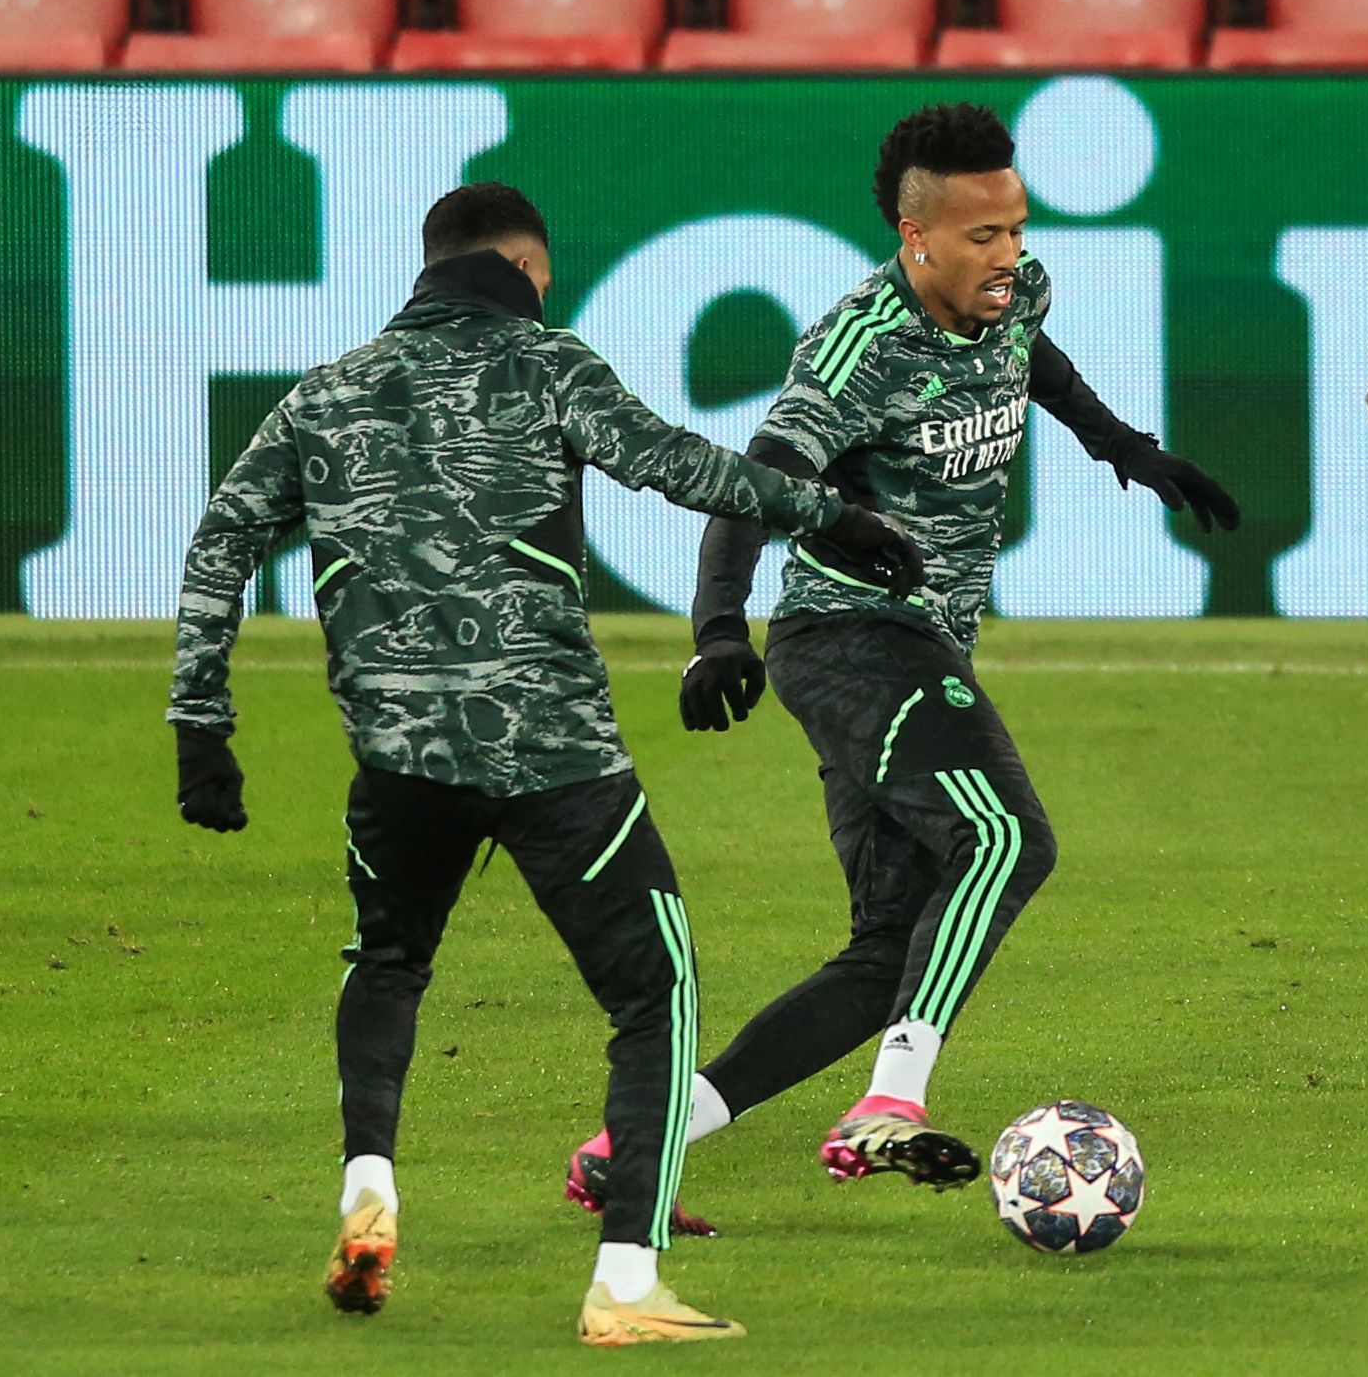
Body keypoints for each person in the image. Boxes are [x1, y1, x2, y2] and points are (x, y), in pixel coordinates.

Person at [166, 182, 913, 1345]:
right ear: (527, 265)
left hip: (399, 756)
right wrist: (826, 515)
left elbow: (220, 545)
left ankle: (371, 1186)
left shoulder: (328, 391)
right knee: (652, 992)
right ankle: (624, 1280)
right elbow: (678, 464)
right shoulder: (548, 363)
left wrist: (199, 726)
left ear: (429, 264)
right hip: (552, 750)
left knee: (389, 963)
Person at [563, 103, 1237, 1219]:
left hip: (918, 644)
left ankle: (635, 1141)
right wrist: (718, 628)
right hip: (850, 640)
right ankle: (889, 1103)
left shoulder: (1019, 292)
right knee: (1007, 836)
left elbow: (1036, 360)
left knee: (887, 951)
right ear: (914, 235)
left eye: (1016, 228)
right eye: (981, 236)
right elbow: (755, 477)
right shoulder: (858, 346)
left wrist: (1123, 445)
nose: (1008, 256)